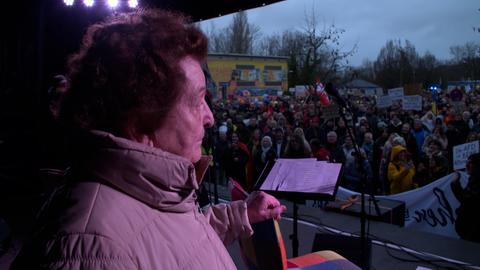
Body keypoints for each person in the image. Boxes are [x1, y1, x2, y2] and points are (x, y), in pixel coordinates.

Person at [12, 9, 286, 269]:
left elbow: (164, 243)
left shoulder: (135, 196)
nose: (210, 117)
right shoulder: (92, 251)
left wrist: (240, 215)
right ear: (140, 121)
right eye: (197, 100)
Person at [451, 153, 480, 243]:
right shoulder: (473, 179)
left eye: (470, 163)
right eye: (467, 162)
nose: (467, 165)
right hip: (469, 231)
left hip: (473, 232)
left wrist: (455, 184)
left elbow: (467, 201)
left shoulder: (478, 180)